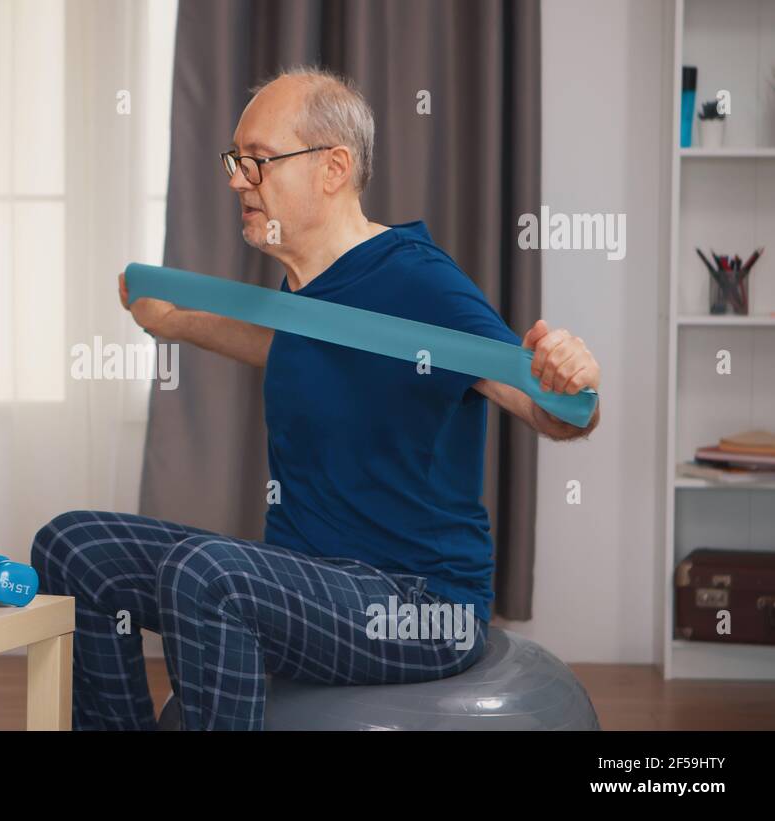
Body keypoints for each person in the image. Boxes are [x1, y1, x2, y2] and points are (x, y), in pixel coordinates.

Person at [31, 66, 601, 730]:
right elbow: (303, 352)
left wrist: (572, 377)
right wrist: (174, 320)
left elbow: (545, 409)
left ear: (334, 168)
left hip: (417, 603)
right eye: (236, 160)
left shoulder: (419, 283)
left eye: (259, 161)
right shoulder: (310, 293)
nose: (237, 180)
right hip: (309, 576)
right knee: (72, 546)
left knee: (206, 574)